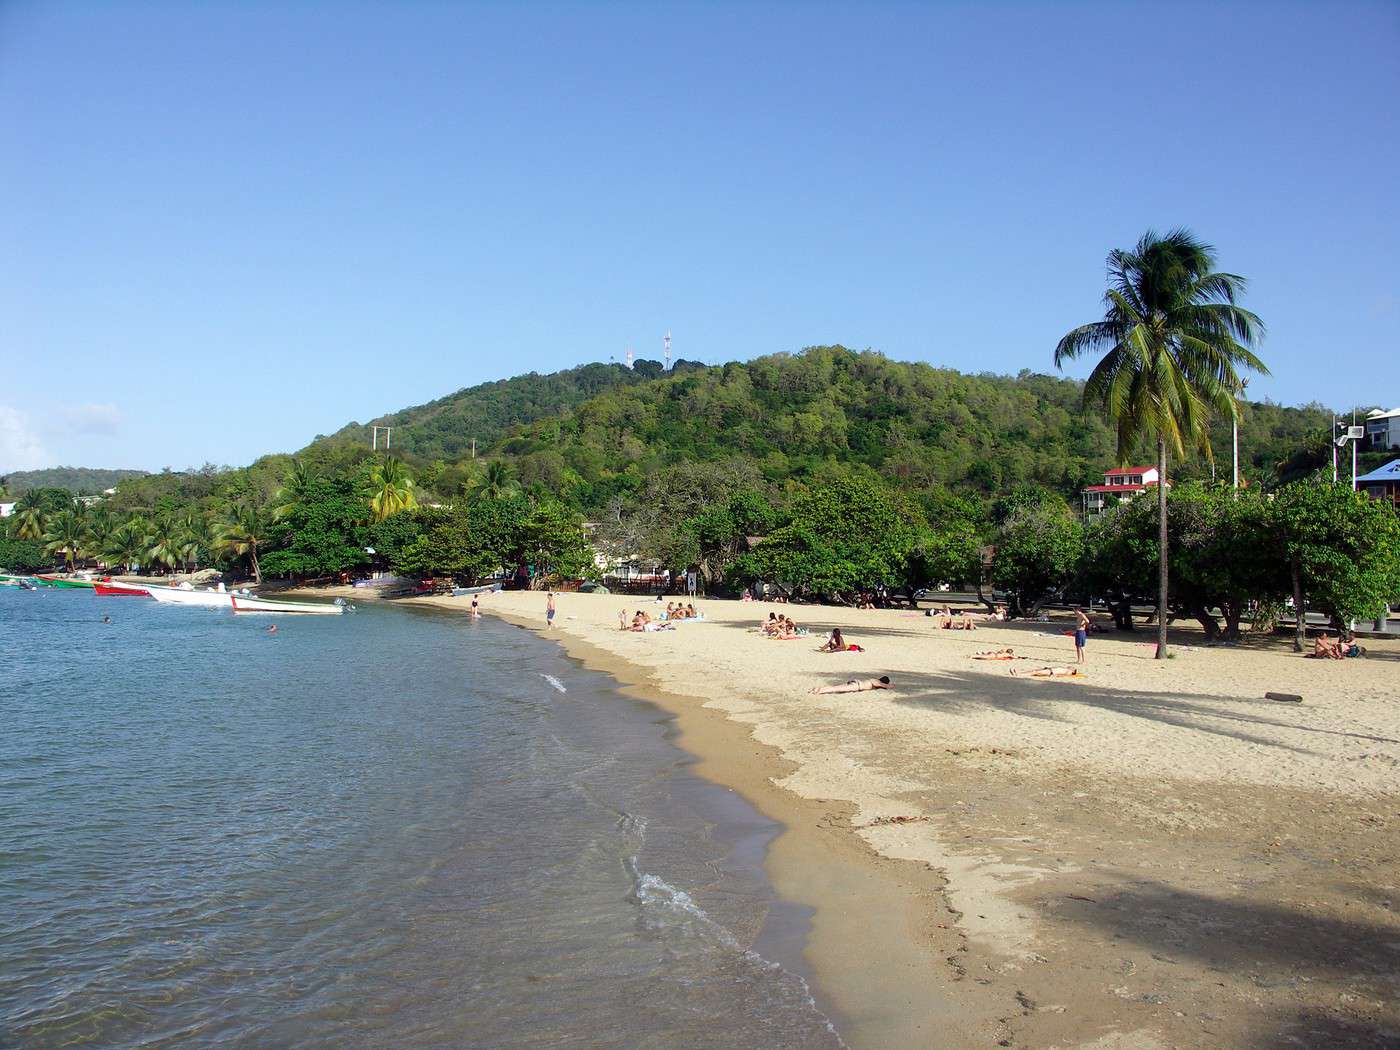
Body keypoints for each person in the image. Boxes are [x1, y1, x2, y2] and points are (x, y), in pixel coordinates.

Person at [810, 676, 891, 694]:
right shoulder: (877, 682)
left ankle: (818, 689)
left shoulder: (873, 679)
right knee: (837, 689)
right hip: (857, 686)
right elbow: (886, 686)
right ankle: (820, 691)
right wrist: (889, 685)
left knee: (837, 687)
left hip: (856, 682)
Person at [1011, 666, 1082, 677]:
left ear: (1073, 670)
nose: (1071, 666)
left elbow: (1063, 675)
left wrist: (1055, 675)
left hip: (1050, 672)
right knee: (1034, 671)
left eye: (1073, 668)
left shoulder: (1068, 671)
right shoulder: (1066, 669)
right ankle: (1019, 673)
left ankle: (1018, 674)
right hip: (1049, 669)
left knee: (1034, 672)